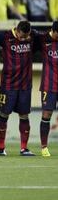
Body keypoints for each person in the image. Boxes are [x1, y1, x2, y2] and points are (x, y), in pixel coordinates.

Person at [0, 21, 35, 156]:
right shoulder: (4, 37)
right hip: (8, 85)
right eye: (22, 36)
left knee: (24, 116)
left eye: (26, 37)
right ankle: (1, 149)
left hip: (25, 85)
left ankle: (24, 148)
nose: (24, 39)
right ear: (16, 30)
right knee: (4, 115)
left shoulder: (33, 36)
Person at [38, 21, 58, 157]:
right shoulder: (43, 40)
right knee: (46, 115)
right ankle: (44, 147)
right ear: (53, 31)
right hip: (49, 85)